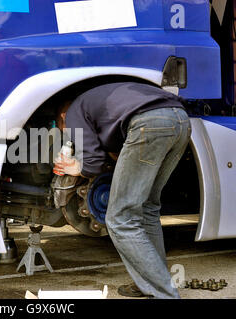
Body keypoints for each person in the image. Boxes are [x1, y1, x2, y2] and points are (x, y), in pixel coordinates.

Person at [54, 82, 191, 299]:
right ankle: (149, 281)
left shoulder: (72, 113)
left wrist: (77, 167)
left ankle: (164, 293)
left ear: (62, 117)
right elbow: (122, 153)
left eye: (65, 131)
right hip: (180, 121)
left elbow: (93, 164)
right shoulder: (101, 105)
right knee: (147, 208)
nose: (70, 135)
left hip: (150, 124)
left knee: (119, 218)